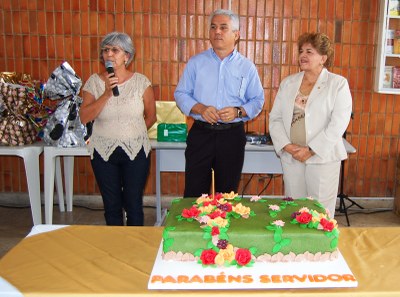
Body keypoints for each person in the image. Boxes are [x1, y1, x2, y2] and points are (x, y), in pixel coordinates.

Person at [174, 9, 264, 198]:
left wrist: (238, 112)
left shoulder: (247, 67)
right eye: (213, 27)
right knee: (194, 193)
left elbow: (257, 100)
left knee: (227, 195)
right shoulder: (196, 63)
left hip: (232, 136)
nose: (217, 32)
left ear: (236, 35)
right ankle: (194, 227)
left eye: (224, 28)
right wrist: (200, 108)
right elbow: (181, 94)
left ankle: (223, 227)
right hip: (201, 133)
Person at [269, 32, 352, 217]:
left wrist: (311, 149)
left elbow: (338, 123)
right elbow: (275, 119)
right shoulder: (288, 83)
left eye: (309, 51)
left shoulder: (337, 84)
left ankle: (323, 247)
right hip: (293, 157)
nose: (303, 55)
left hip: (322, 158)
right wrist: (288, 147)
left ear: (323, 58)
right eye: (301, 51)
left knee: (319, 212)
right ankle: (297, 246)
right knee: (295, 209)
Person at [79, 32, 157, 226]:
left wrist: (133, 132)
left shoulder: (141, 82)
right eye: (105, 50)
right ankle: (115, 250)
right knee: (112, 206)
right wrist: (106, 94)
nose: (109, 54)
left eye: (115, 50)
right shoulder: (94, 82)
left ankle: (134, 250)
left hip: (136, 151)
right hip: (103, 152)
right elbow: (84, 117)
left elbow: (151, 116)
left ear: (127, 56)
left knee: (133, 204)